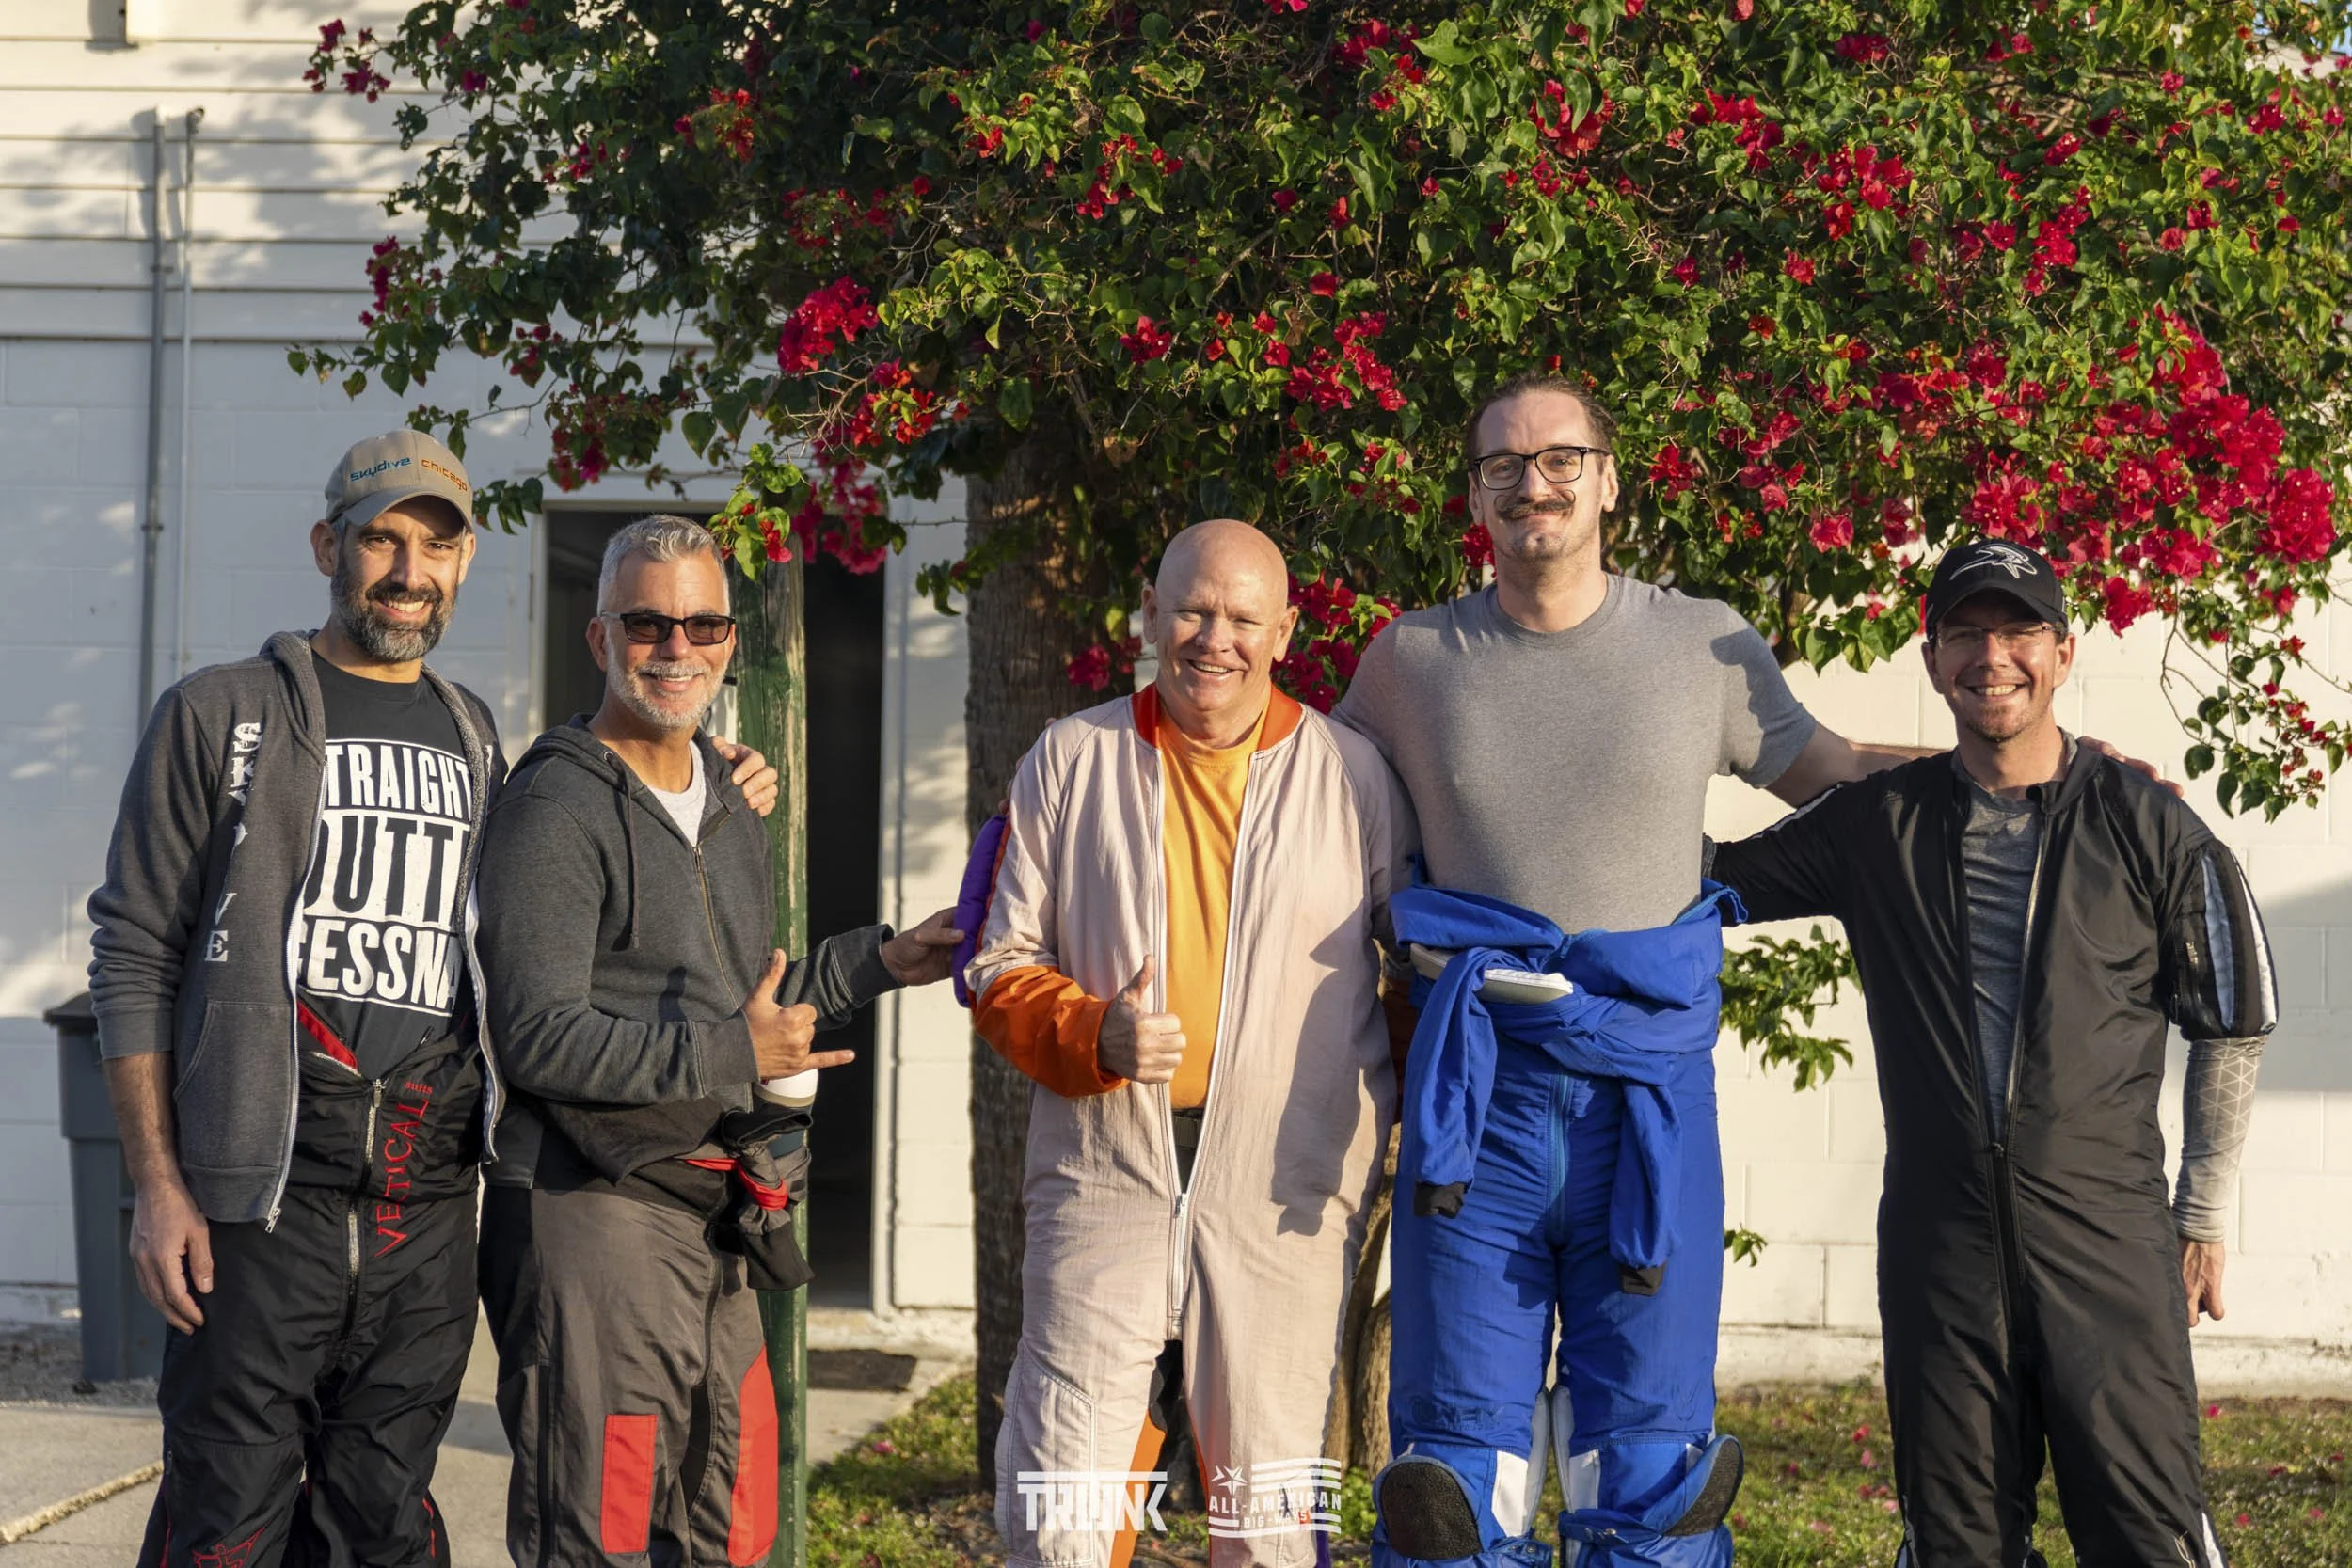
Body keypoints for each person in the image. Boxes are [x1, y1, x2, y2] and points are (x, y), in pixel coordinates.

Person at [84, 434, 777, 1568]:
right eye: (382, 539)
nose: (410, 569)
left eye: (437, 545)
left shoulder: (477, 736)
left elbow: (600, 812)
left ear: (463, 567)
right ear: (328, 546)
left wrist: (714, 764)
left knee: (384, 1519)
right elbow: (134, 951)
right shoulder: (222, 712)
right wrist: (158, 1186)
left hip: (424, 1200)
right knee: (229, 1516)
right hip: (260, 1198)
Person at [1707, 538, 2272, 1568]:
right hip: (1940, 1245)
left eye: (2016, 630)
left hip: (2105, 1242)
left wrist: (2200, 1213)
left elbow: (2230, 1020)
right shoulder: (1877, 822)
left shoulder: (2152, 827)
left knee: (2147, 1535)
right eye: (1965, 633)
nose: (1991, 655)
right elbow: (1701, 886)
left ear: (2063, 650)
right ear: (1930, 660)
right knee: (1957, 1543)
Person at [474, 515, 961, 1568]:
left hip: (717, 1209)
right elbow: (536, 1034)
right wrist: (727, 1054)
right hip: (594, 1203)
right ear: (599, 636)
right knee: (602, 1526)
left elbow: (756, 1003)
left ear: (731, 641)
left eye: (701, 623)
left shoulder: (731, 799)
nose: (676, 647)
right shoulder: (555, 804)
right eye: (647, 622)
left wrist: (885, 957)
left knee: (728, 1515)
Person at [964, 518, 1416, 1568]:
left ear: (1286, 630)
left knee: (1265, 1522)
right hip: (1099, 1175)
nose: (1215, 637)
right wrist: (1095, 1029)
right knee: (1060, 1514)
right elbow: (997, 967)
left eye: (1243, 617)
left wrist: (1398, 1126)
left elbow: (1406, 980)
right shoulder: (1073, 756)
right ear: (1154, 613)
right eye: (1194, 610)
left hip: (1282, 1185)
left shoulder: (1353, 777)